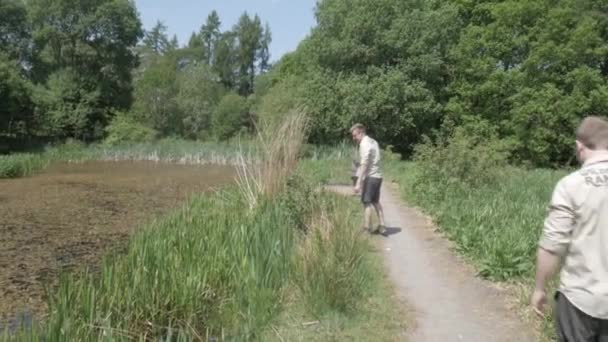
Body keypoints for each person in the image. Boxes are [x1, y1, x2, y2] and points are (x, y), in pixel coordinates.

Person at [531, 116, 608, 341]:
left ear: (579, 146)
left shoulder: (571, 185)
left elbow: (552, 246)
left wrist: (540, 288)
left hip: (579, 299)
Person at [350, 123, 387, 235]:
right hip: (378, 176)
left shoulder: (364, 144)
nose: (354, 138)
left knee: (367, 202)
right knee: (376, 201)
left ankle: (367, 229)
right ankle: (382, 226)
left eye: (355, 135)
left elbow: (365, 163)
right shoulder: (373, 141)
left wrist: (359, 182)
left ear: (361, 132)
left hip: (370, 177)